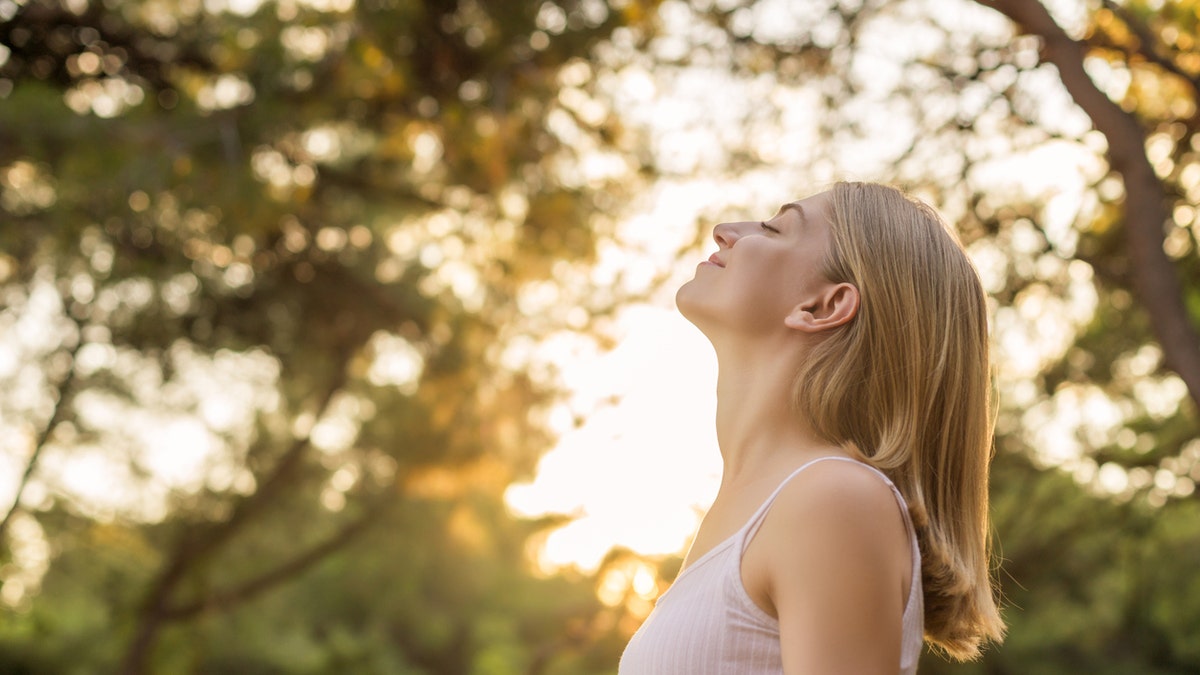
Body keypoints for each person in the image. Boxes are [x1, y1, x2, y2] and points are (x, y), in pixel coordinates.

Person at [618, 182, 1005, 674]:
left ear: (823, 306)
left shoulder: (833, 498)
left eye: (776, 228)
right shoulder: (770, 503)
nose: (724, 232)